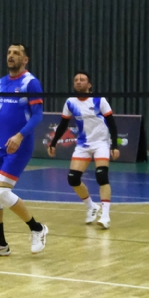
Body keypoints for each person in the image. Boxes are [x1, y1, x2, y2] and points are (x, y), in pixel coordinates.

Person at [0, 44, 48, 257]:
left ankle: (37, 228)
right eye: (9, 52)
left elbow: (38, 116)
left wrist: (19, 135)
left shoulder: (30, 83)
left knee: (1, 192)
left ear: (25, 60)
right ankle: (1, 245)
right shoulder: (1, 82)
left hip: (19, 146)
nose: (11, 55)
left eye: (16, 53)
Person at [49, 71, 119, 229]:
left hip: (101, 142)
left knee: (102, 176)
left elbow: (112, 123)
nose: (78, 82)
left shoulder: (99, 100)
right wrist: (53, 142)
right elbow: (63, 124)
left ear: (89, 84)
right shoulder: (70, 102)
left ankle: (105, 215)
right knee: (73, 179)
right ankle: (91, 206)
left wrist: (114, 145)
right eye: (76, 80)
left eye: (82, 79)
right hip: (83, 144)